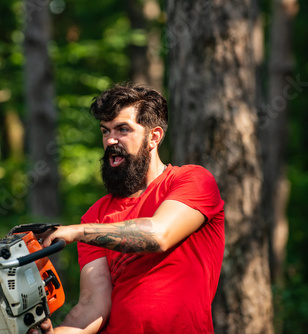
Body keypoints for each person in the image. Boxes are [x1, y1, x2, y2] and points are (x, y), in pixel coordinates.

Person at [31, 83, 225, 333]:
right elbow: (93, 304)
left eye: (123, 129)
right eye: (105, 131)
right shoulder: (95, 215)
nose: (110, 140)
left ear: (154, 137)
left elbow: (158, 235)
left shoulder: (192, 180)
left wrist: (76, 232)